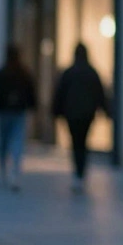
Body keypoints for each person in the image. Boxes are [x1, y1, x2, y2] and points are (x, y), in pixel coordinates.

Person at [52, 44, 108, 193]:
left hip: (72, 114)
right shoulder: (91, 72)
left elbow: (60, 93)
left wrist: (56, 112)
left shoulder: (69, 72)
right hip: (87, 114)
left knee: (76, 142)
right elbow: (100, 93)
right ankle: (81, 172)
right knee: (83, 143)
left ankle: (78, 173)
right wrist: (106, 110)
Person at [0, 44, 36, 191]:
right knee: (17, 142)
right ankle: (15, 172)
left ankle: (3, 172)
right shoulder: (24, 73)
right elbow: (31, 92)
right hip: (18, 111)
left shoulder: (1, 73)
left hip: (5, 112)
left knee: (4, 143)